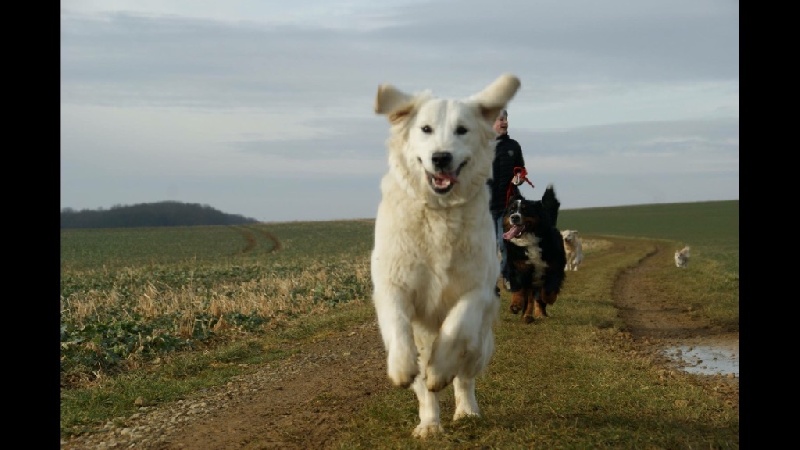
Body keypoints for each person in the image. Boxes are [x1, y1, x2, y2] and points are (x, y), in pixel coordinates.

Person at [488, 109, 526, 292]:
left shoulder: (513, 146)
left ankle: (505, 276)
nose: (504, 122)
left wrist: (519, 176)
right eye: (500, 119)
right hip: (484, 209)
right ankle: (490, 285)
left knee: (505, 245)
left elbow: (521, 169)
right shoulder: (479, 147)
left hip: (507, 207)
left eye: (506, 119)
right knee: (487, 250)